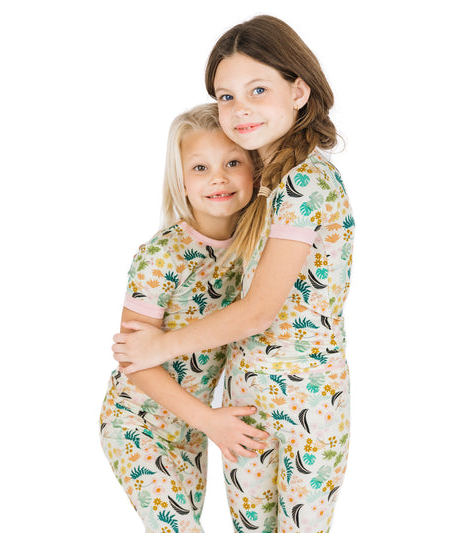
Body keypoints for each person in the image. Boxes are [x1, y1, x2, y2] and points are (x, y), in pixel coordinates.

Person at [113, 15, 354, 533]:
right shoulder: (265, 194)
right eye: (226, 96)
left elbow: (258, 311)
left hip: (305, 396)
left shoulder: (305, 183)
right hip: (244, 399)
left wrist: (159, 347)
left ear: (299, 91)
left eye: (258, 90)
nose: (241, 108)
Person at [99, 102, 269, 533]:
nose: (218, 178)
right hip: (137, 423)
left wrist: (203, 423)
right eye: (200, 168)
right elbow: (133, 359)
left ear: (254, 170)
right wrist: (209, 420)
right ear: (182, 182)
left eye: (233, 163)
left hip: (191, 432)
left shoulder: (255, 248)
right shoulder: (162, 256)